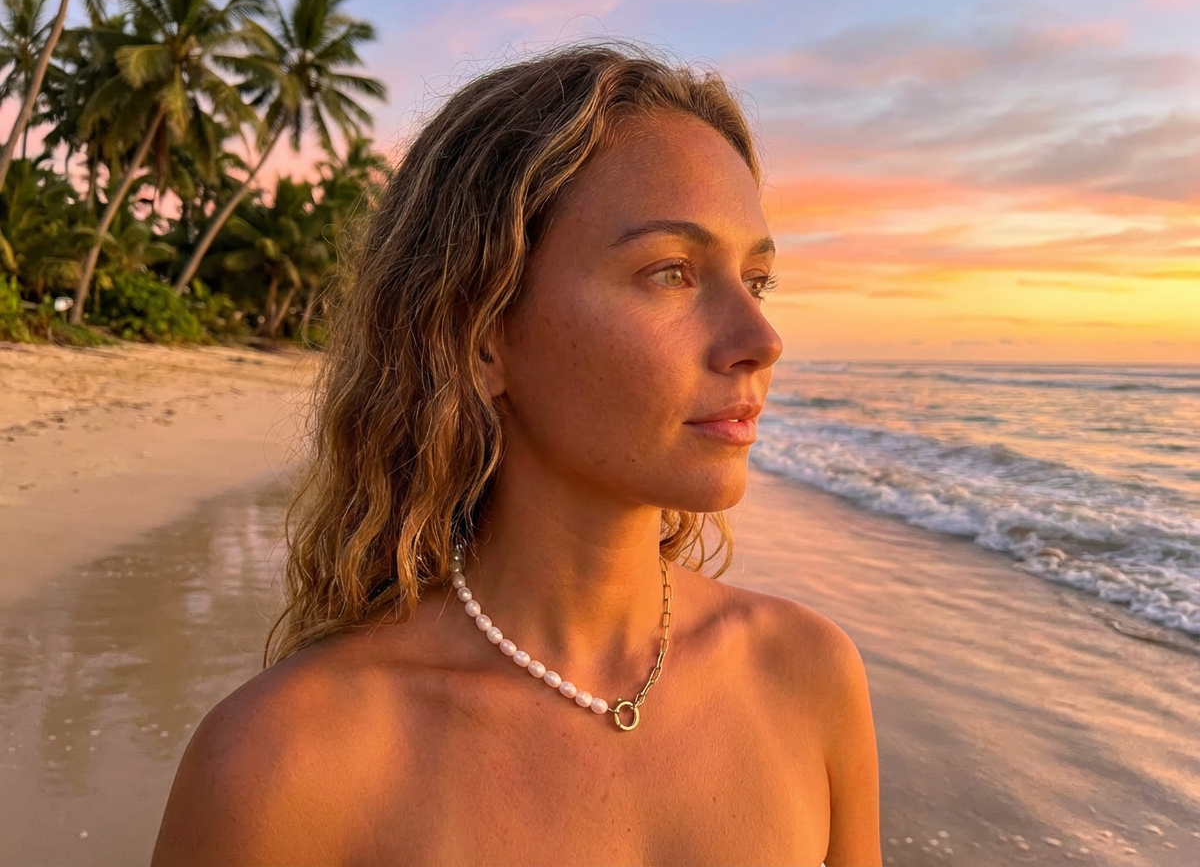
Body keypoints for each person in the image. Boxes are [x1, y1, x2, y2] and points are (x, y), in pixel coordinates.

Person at [151, 43, 880, 867]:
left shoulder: (809, 678)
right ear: (484, 334)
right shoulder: (283, 766)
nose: (760, 339)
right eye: (671, 272)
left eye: (758, 279)